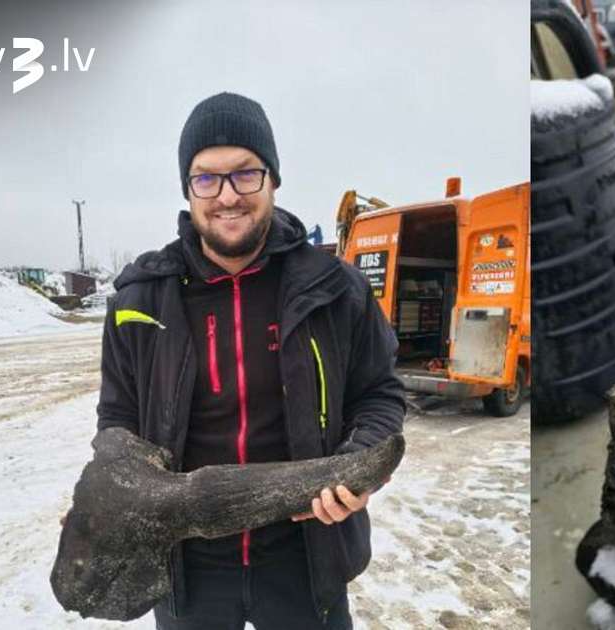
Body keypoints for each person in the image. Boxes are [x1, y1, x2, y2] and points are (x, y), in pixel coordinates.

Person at [96, 92, 405, 629]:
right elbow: (118, 419)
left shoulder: (338, 289)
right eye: (206, 178)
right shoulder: (139, 300)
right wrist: (115, 494)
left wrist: (356, 469)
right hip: (185, 568)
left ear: (273, 179)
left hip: (306, 557)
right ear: (187, 188)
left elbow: (379, 392)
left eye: (245, 174)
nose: (227, 196)